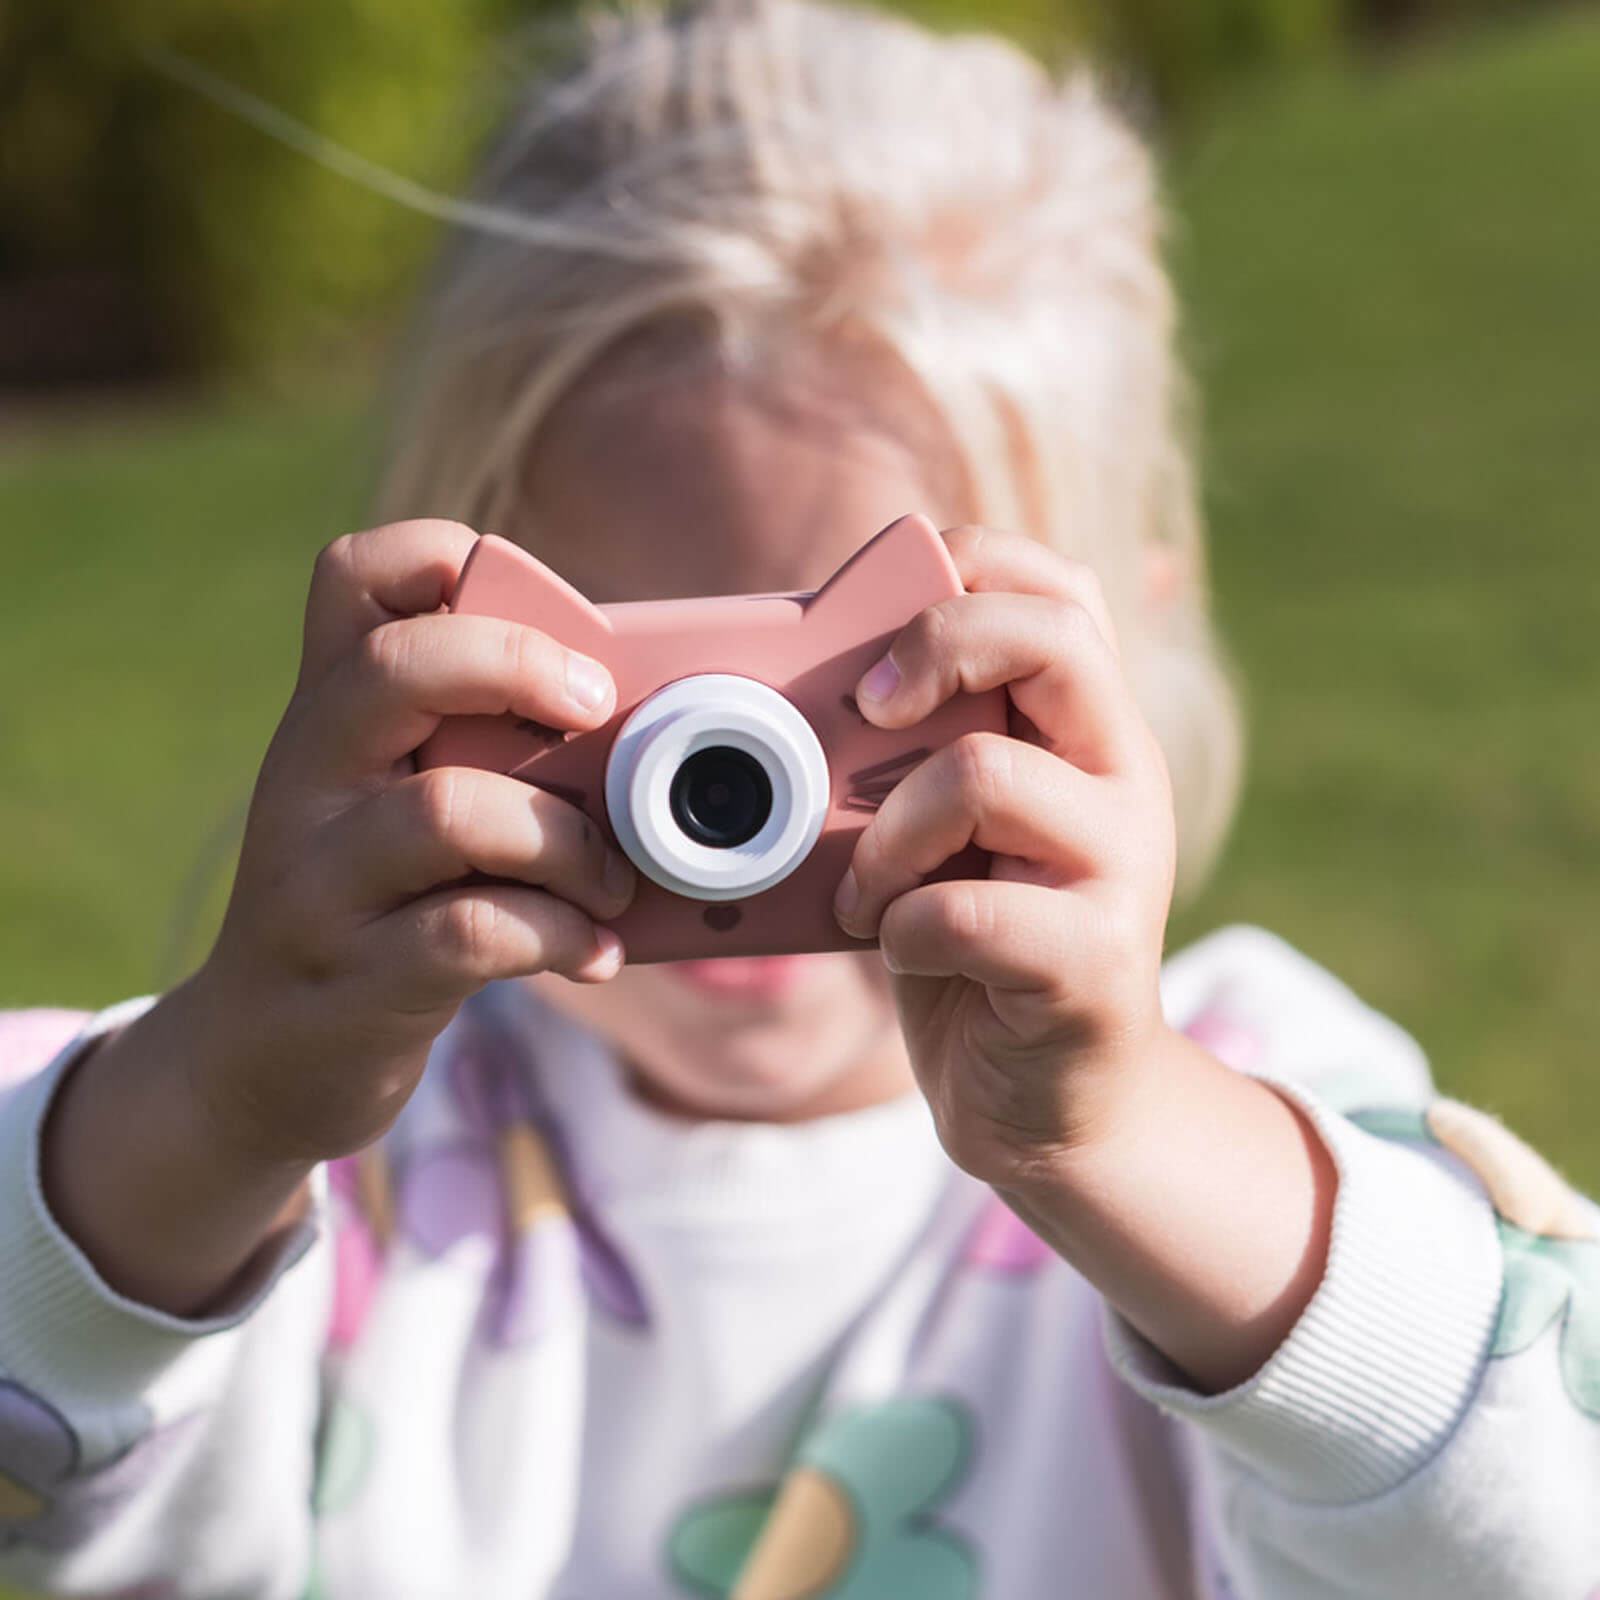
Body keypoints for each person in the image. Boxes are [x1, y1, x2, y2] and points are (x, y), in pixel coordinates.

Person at [2, 2, 1596, 1595]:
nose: (717, 800)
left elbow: (1544, 1516)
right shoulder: (325, 1141)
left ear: (1123, 657)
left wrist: (1132, 1137)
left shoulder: (1237, 1114)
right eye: (628, 690)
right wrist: (215, 1107)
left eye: (878, 686)